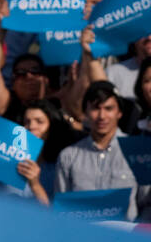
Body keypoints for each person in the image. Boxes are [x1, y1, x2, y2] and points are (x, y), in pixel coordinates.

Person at [54, 81, 138, 220]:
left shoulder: (135, 152)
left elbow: (147, 204)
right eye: (95, 108)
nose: (102, 116)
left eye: (108, 108)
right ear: (85, 112)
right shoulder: (68, 156)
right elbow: (62, 208)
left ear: (119, 112)